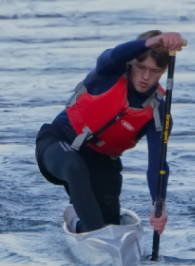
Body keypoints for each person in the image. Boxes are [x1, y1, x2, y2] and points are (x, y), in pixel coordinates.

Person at [35, 31, 185, 234]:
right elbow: (110, 55)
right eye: (141, 67)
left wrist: (159, 205)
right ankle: (98, 235)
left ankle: (78, 222)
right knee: (74, 166)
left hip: (103, 163)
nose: (146, 77)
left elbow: (157, 164)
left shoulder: (159, 112)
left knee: (109, 223)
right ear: (131, 62)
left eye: (155, 71)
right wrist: (151, 42)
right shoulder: (108, 73)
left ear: (164, 70)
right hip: (59, 143)